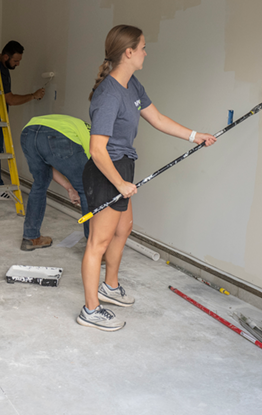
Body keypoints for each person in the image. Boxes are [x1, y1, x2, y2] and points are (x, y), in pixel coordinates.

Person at [78, 25, 216, 332]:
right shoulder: (108, 95)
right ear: (128, 53)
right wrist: (119, 184)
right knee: (97, 243)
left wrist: (195, 136)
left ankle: (109, 286)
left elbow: (157, 118)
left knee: (123, 228)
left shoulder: (132, 85)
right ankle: (90, 309)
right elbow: (97, 150)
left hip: (123, 166)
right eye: (142, 48)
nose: (145, 53)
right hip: (106, 172)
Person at [0, 41, 45, 199]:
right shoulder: (1, 70)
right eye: (15, 61)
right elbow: (10, 100)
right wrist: (33, 96)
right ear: (5, 56)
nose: (18, 64)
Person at [19, 114, 91, 251]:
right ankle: (95, 247)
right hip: (58, 134)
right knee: (86, 189)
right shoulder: (96, 144)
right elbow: (90, 181)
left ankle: (31, 238)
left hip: (28, 132)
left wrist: (69, 187)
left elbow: (49, 166)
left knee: (40, 183)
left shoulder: (85, 131)